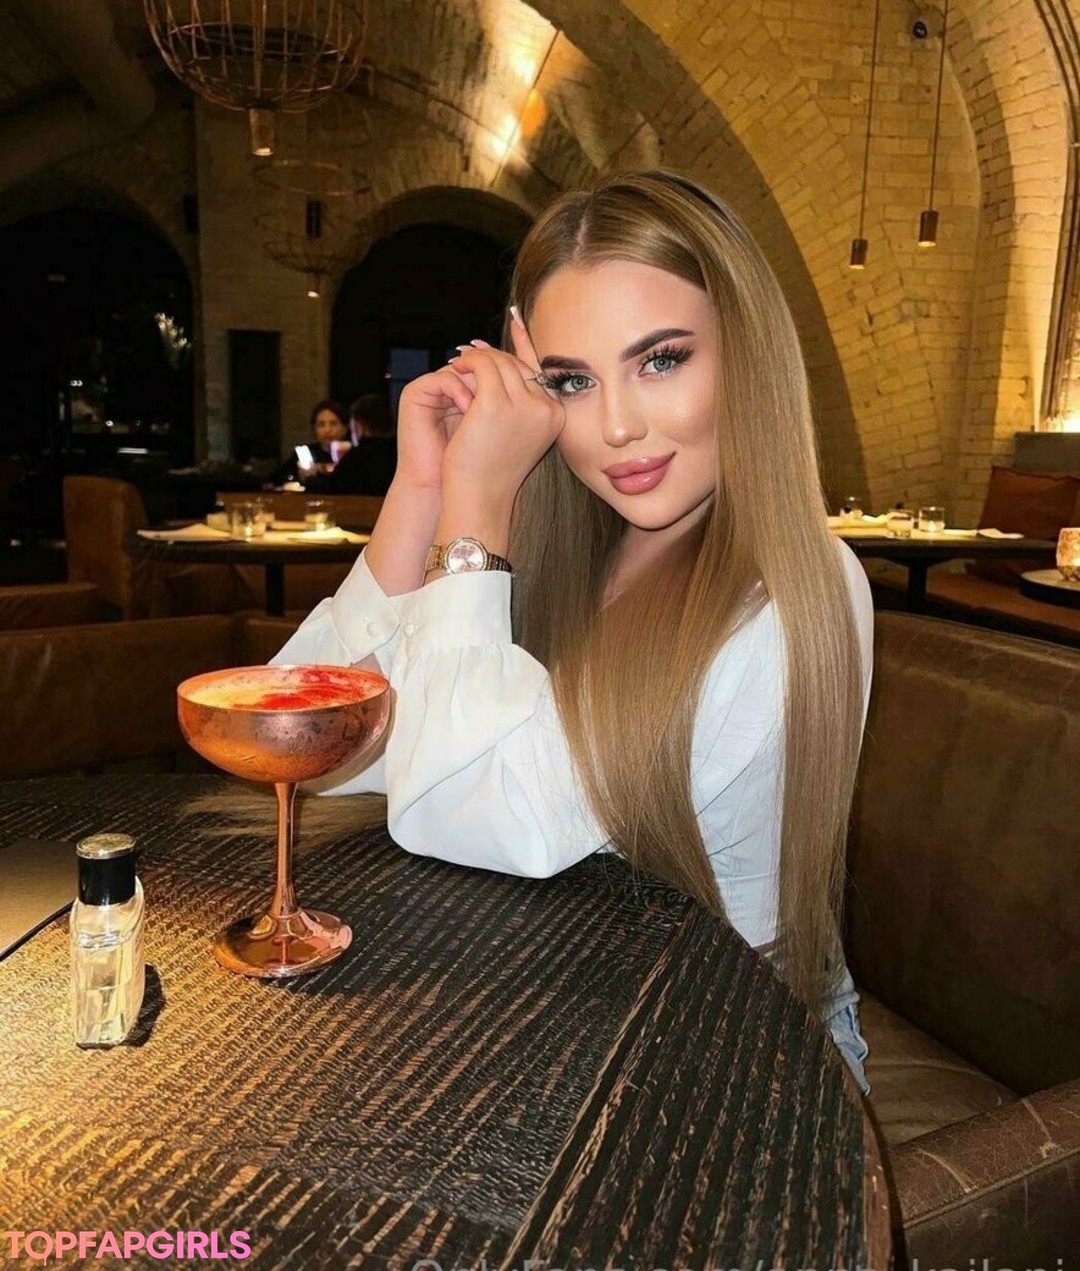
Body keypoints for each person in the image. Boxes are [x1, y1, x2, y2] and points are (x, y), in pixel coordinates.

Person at [273, 170, 874, 1091]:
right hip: (579, 1011)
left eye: (661, 360)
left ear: (746, 350)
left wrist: (476, 509)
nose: (618, 426)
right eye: (571, 381)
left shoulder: (791, 593)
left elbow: (457, 811)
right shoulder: (578, 549)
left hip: (748, 1063)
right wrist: (424, 488)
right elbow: (306, 740)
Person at [305, 394, 397, 495]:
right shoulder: (398, 452)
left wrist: (309, 477)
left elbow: (332, 489)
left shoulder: (357, 456)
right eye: (321, 424)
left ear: (358, 426)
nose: (327, 430)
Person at [273, 399, 349, 485]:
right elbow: (275, 479)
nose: (327, 430)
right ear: (314, 429)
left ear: (345, 428)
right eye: (321, 424)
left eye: (333, 423)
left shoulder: (352, 454)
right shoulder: (305, 453)